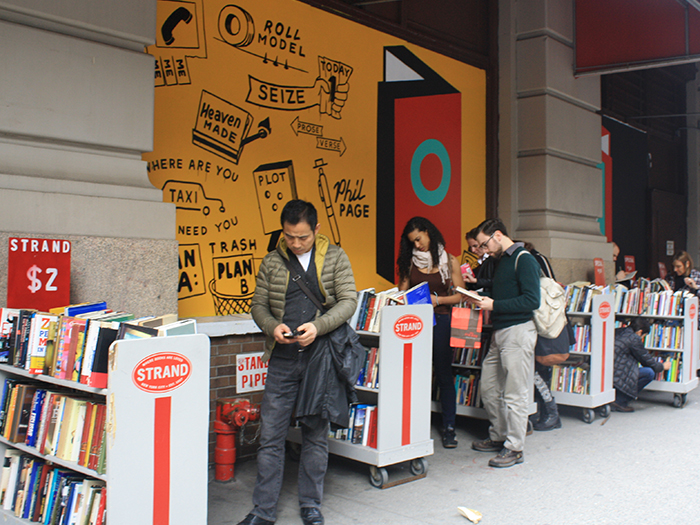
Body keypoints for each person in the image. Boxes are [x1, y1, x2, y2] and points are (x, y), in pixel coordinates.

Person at [240, 200, 357, 525]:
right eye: (289, 236)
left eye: (302, 237)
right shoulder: (272, 261)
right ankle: (262, 511)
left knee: (316, 435)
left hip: (320, 360)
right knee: (271, 437)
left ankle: (311, 506)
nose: (295, 243)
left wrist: (317, 327)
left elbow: (349, 300)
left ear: (316, 230)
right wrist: (270, 326)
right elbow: (258, 305)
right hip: (282, 359)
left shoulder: (335, 257)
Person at [467, 219, 540, 468]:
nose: (483, 250)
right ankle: (499, 436)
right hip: (501, 333)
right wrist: (481, 295)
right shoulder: (501, 261)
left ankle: (514, 448)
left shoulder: (524, 259)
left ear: (498, 235)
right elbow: (504, 293)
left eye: (485, 244)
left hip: (518, 331)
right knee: (488, 387)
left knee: (516, 392)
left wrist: (494, 305)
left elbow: (532, 300)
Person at [397, 217, 466, 449]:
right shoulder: (409, 263)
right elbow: (401, 294)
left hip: (441, 319)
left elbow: (461, 295)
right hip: (414, 323)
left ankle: (449, 428)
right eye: (412, 242)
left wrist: (439, 300)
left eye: (419, 239)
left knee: (444, 374)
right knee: (414, 375)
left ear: (428, 232)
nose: (417, 245)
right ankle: (414, 426)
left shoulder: (450, 261)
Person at [521, 242, 568, 431]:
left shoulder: (534, 261)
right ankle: (547, 410)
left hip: (542, 323)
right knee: (537, 371)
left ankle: (551, 411)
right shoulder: (537, 259)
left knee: (536, 371)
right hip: (543, 322)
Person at [612, 318, 671, 412]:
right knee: (649, 373)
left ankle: (616, 397)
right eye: (643, 336)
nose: (642, 339)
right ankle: (620, 401)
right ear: (639, 332)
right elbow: (647, 361)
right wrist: (663, 366)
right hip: (617, 375)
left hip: (609, 372)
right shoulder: (634, 339)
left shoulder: (619, 331)